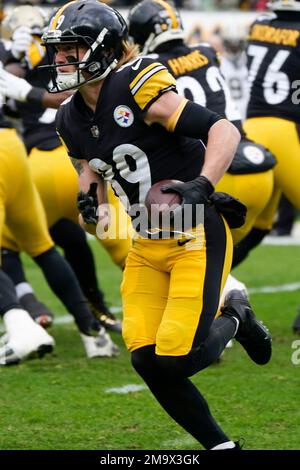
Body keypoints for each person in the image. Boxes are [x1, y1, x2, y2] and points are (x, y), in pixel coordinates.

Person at [42, 1, 272, 450]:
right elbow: (90, 182)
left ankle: (237, 317)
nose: (63, 59)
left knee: (179, 358)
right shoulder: (70, 116)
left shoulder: (138, 84)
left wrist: (203, 184)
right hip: (146, 240)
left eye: (73, 49)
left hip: (195, 230)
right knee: (147, 359)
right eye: (60, 51)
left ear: (104, 50)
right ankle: (222, 448)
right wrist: (91, 208)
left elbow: (223, 130)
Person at [127, 0, 275, 301]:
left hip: (216, 173)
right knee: (209, 256)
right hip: (256, 169)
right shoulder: (207, 51)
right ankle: (224, 297)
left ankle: (228, 303)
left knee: (180, 257)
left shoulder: (148, 68)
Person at [0, 4, 132, 333]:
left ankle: (28, 309)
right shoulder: (77, 53)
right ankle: (201, 306)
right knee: (122, 248)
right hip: (81, 159)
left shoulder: (26, 57)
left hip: (38, 165)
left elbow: (19, 89)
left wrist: (14, 63)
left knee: (17, 246)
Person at [242, 0, 300, 331]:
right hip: (286, 131)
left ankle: (207, 287)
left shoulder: (259, 26)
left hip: (253, 129)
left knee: (258, 226)